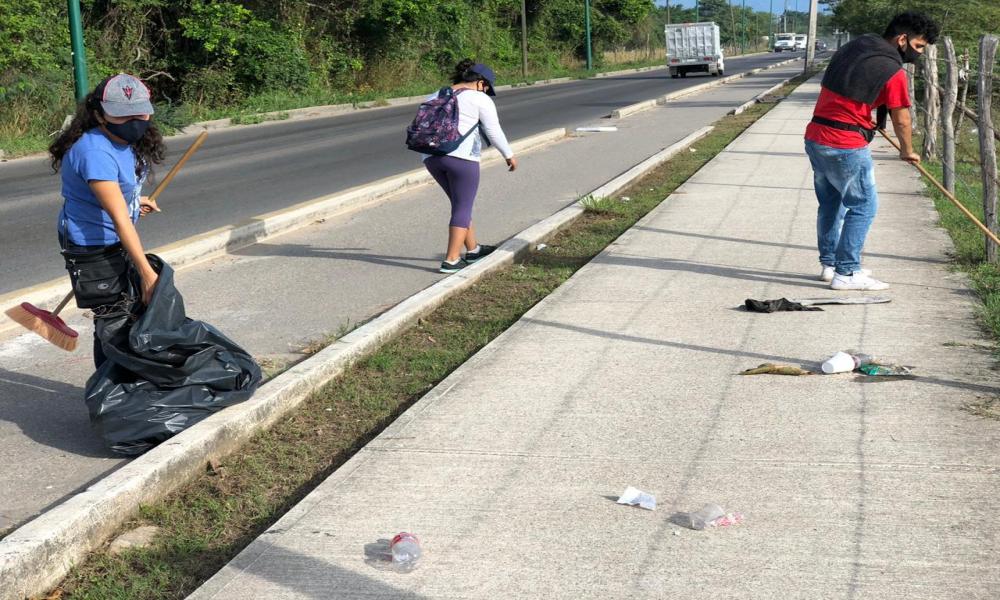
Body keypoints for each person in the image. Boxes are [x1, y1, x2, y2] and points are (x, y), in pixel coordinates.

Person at [804, 11, 939, 291]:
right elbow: (902, 118)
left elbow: (858, 91)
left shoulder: (859, 46)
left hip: (816, 137)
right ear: (902, 39)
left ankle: (830, 265)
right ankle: (848, 272)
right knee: (864, 205)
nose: (918, 54)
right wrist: (907, 150)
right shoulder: (893, 71)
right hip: (845, 144)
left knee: (831, 204)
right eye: (918, 47)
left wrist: (874, 122)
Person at [48, 73, 165, 367]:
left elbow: (116, 196)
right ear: (100, 115)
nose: (134, 122)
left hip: (112, 233)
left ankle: (119, 389)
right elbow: (118, 219)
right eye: (122, 116)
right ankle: (109, 398)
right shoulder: (95, 152)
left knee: (122, 311)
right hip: (91, 243)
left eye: (139, 113)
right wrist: (147, 275)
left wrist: (137, 202)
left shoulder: (127, 141)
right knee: (114, 320)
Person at [423, 59, 517, 274]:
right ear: (481, 83)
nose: (486, 92)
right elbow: (493, 131)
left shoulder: (437, 94)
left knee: (460, 203)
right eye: (487, 88)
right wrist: (509, 155)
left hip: (431, 157)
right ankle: (451, 260)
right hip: (462, 158)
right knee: (463, 206)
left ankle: (473, 249)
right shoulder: (479, 99)